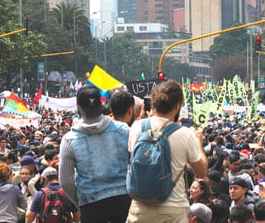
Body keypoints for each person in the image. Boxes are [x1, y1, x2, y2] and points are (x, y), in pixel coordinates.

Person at [126, 80, 207, 223]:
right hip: (173, 210)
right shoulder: (185, 134)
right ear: (177, 106)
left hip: (140, 207)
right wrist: (198, 142)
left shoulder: (136, 127)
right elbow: (201, 172)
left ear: (153, 104)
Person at [59, 85, 131, 223]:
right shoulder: (124, 130)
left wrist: (81, 202)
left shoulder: (69, 140)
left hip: (91, 206)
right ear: (102, 104)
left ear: (78, 107)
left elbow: (66, 182)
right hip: (123, 200)